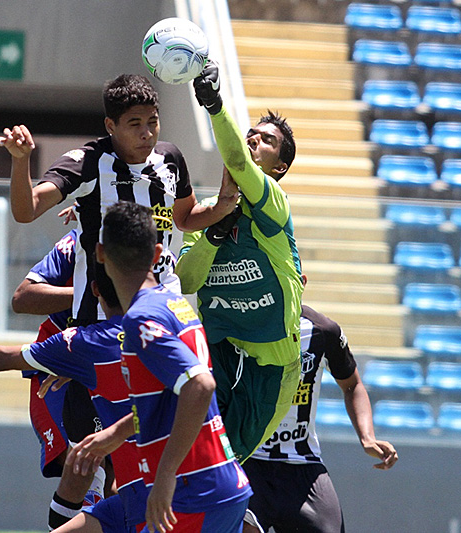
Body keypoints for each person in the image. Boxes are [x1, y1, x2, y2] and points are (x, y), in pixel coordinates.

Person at [0, 260, 149, 532]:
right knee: (87, 468)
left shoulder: (85, 342)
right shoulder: (165, 328)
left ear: (93, 290)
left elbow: (1, 358)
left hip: (161, 496)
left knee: (90, 467)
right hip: (154, 486)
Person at [66, 201, 252, 533]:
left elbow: (200, 385)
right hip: (220, 484)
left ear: (100, 253)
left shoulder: (140, 318)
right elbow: (171, 396)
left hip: (191, 491)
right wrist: (116, 433)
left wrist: (165, 476)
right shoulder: (174, 303)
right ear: (156, 254)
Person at [0, 73, 237, 324]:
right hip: (104, 316)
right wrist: (21, 160)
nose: (146, 133)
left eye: (152, 121)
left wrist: (222, 206)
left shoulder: (170, 157)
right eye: (135, 124)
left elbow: (186, 218)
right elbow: (27, 211)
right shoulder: (87, 163)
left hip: (166, 307)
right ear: (110, 126)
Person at [175, 62, 303, 463]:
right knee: (189, 457)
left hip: (271, 364)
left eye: (266, 141)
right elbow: (187, 281)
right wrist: (214, 232)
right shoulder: (206, 213)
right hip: (220, 351)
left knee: (225, 465)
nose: (253, 139)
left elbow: (240, 162)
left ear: (278, 168)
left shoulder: (273, 205)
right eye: (251, 133)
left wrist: (214, 105)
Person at [242, 300, 399, 533]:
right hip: (247, 461)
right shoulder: (236, 324)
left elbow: (352, 385)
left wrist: (367, 437)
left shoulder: (323, 331)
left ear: (301, 282)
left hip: (302, 463)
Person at [12, 229, 111, 529]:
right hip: (57, 372)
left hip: (112, 367)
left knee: (122, 486)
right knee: (86, 472)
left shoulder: (155, 238)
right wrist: (86, 293)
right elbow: (22, 298)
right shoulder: (78, 239)